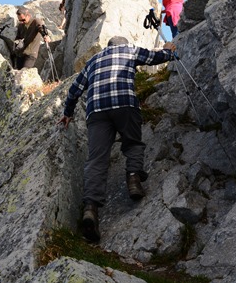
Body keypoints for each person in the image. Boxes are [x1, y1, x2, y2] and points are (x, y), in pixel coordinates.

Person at [57, 36, 176, 242]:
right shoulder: (129, 50)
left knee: (97, 159)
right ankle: (133, 179)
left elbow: (74, 90)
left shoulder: (93, 61)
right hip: (124, 104)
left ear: (107, 47)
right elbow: (155, 58)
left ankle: (90, 209)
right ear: (123, 44)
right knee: (133, 142)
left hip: (96, 112)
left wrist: (67, 113)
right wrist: (168, 50)